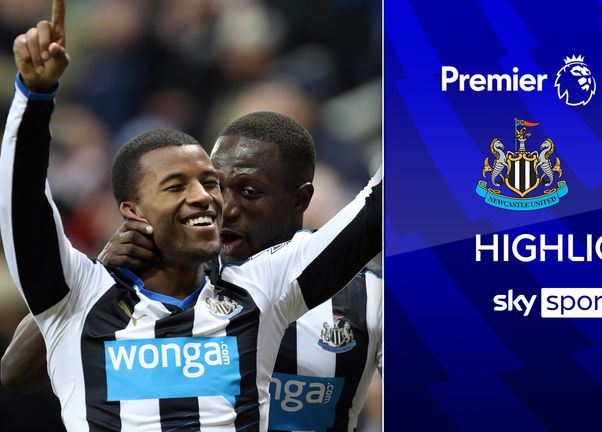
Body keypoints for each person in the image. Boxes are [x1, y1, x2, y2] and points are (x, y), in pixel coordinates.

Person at [0, 2, 381, 431]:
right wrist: (34, 98)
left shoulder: (259, 291)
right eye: (177, 186)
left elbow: (373, 213)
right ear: (132, 212)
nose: (206, 198)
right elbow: (24, 205)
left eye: (208, 183)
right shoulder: (83, 294)